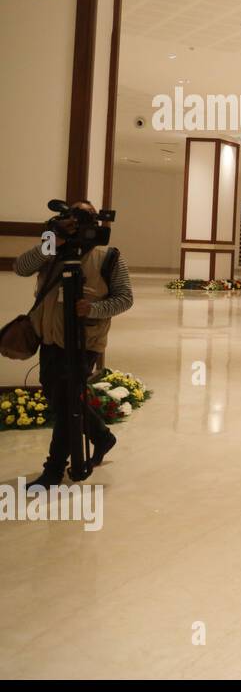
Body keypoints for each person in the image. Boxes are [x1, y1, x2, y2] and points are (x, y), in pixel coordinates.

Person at [13, 199, 133, 487]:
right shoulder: (52, 247)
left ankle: (54, 470)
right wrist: (53, 240)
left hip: (85, 342)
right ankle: (102, 436)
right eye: (74, 216)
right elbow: (21, 268)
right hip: (51, 337)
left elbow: (125, 298)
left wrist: (92, 309)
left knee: (67, 405)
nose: (80, 222)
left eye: (86, 216)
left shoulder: (109, 256)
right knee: (59, 397)